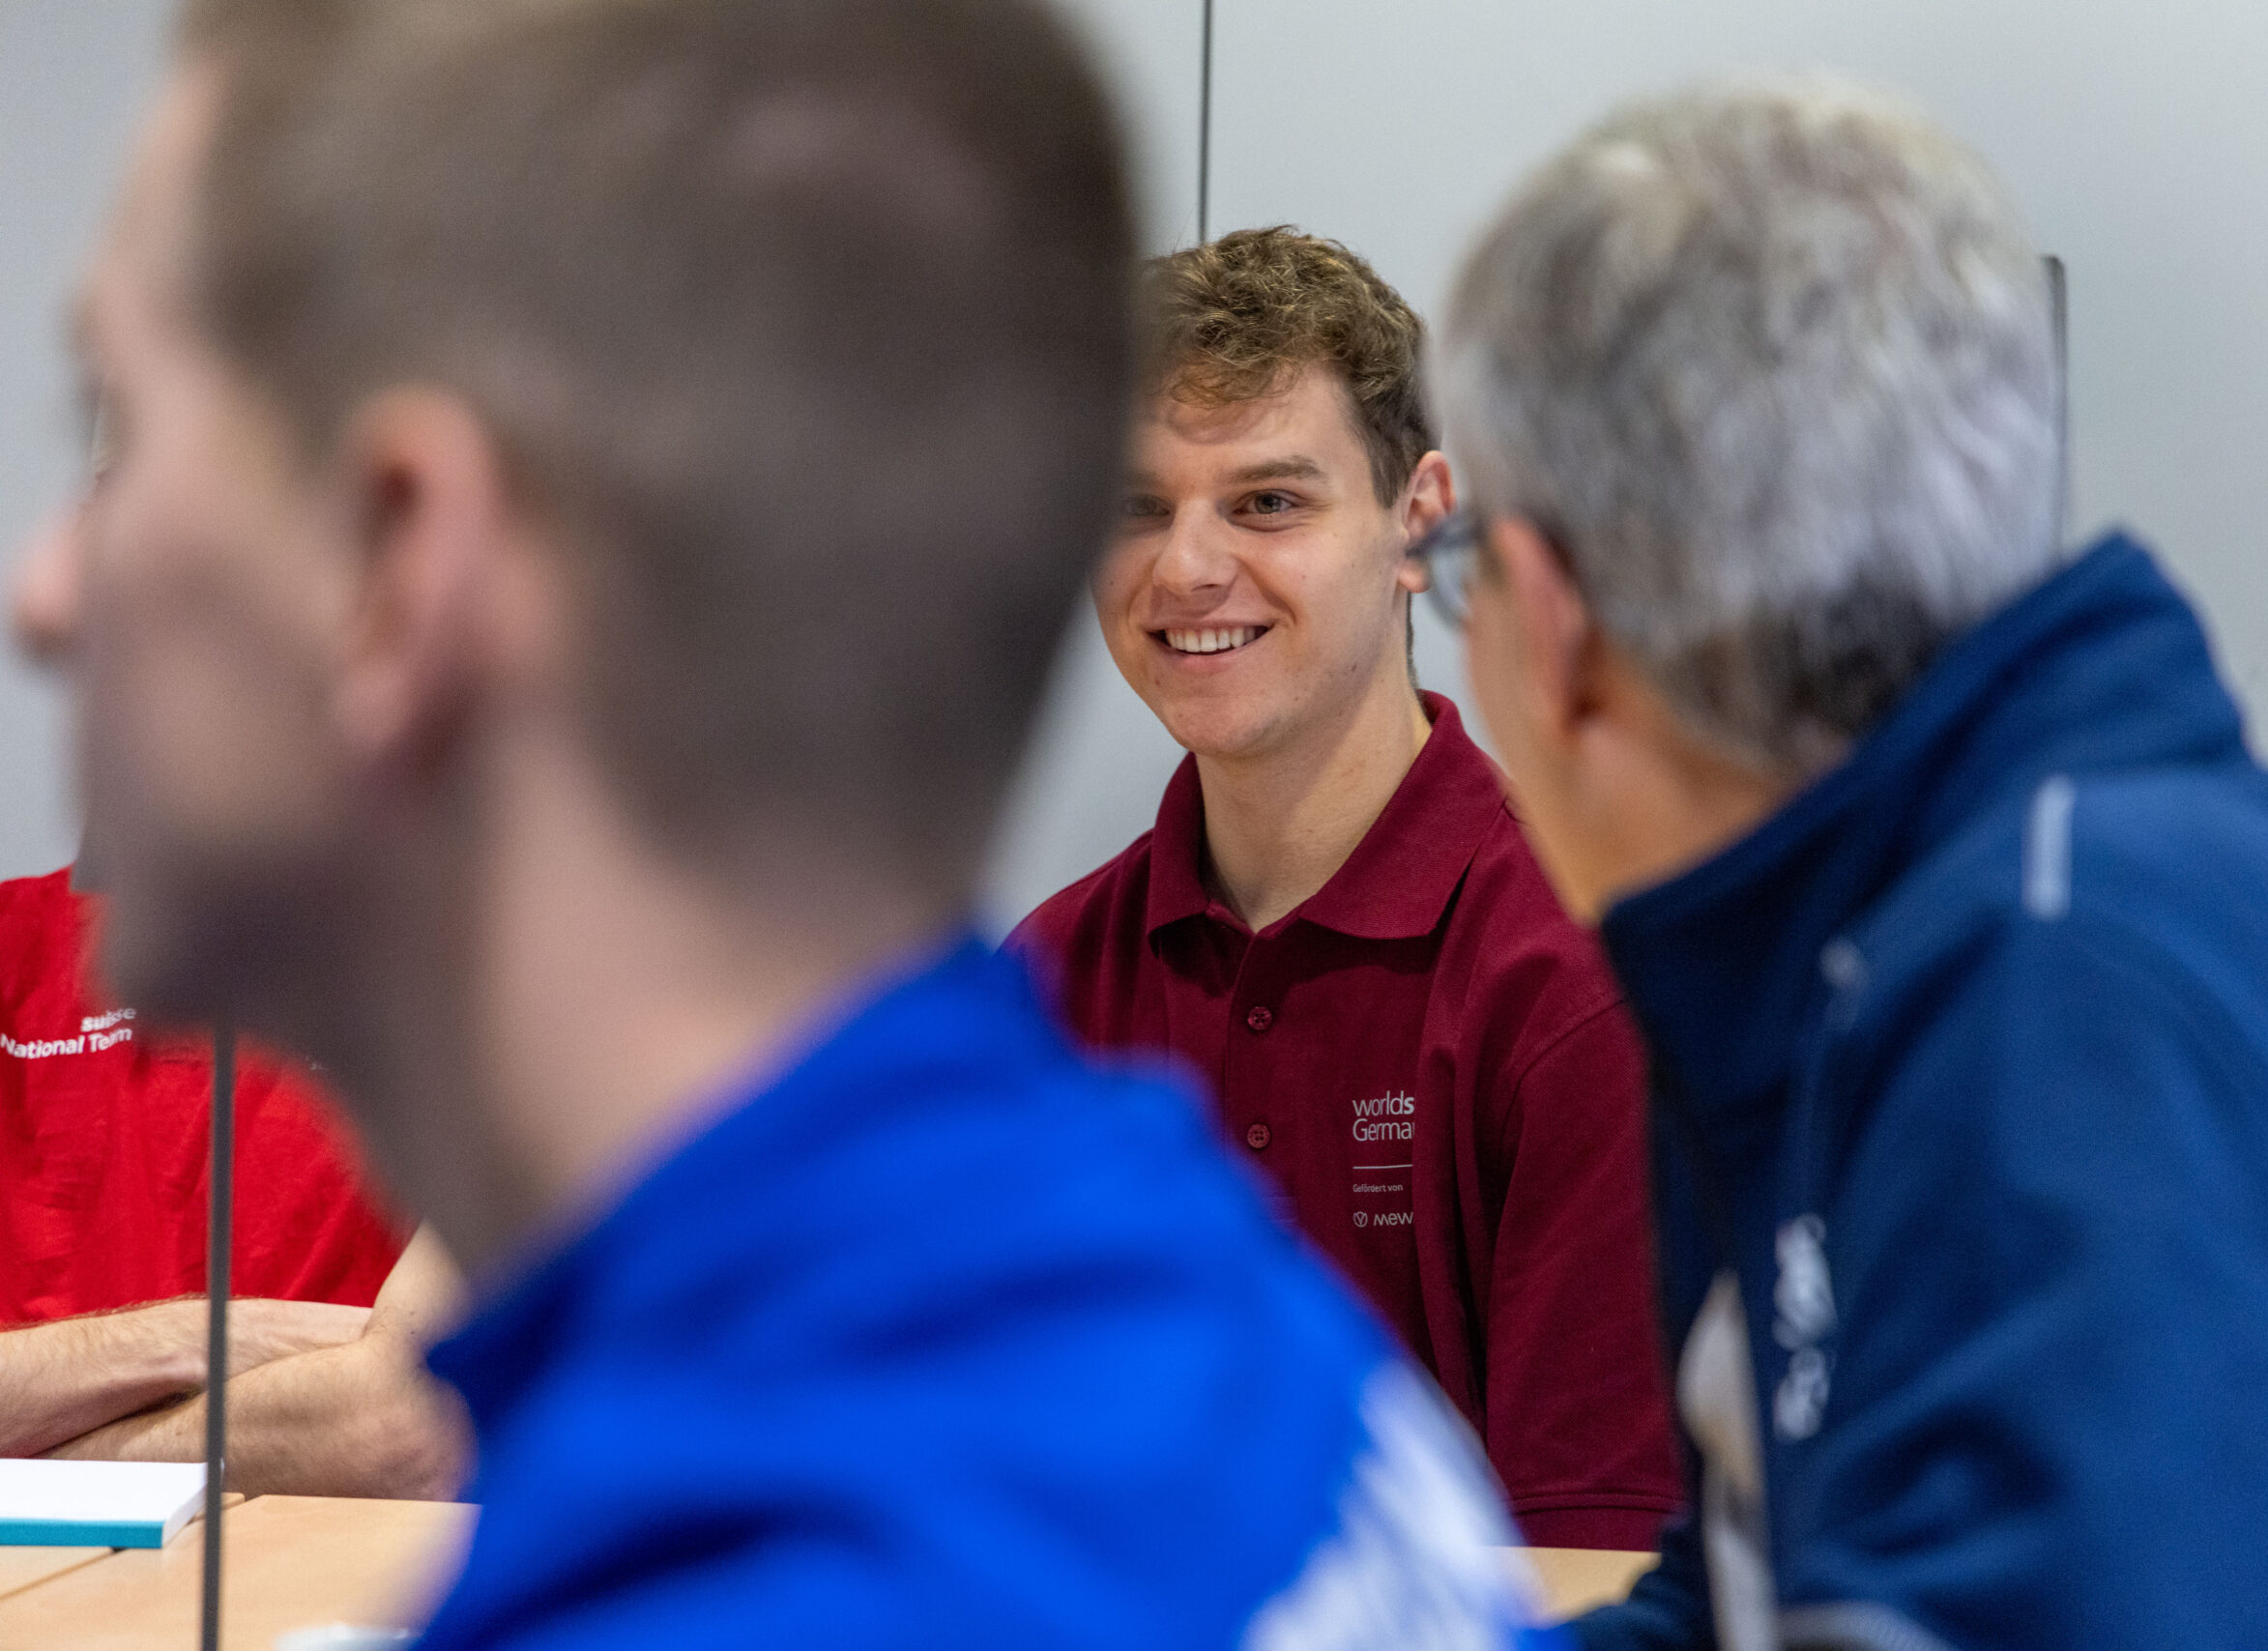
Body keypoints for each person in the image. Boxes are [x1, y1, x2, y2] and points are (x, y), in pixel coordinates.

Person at [12, 0, 1550, 1644]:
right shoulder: (1186, 1316)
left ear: (403, 557)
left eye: (128, 422)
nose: (47, 593)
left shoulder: (786, 1580)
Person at [1427, 73, 2268, 1649]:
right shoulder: (1922, 942)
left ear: (1551, 625)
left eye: (1459, 577)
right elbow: (1750, 1602)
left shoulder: (2075, 986)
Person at [1013, 226, 1683, 1550]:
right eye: (1139, 507)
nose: (1187, 567)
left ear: (1418, 521)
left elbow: (1595, 1573)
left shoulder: (1576, 982)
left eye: (1267, 502)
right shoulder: (1046, 986)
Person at [0, 860, 468, 1498]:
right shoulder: (16, 943)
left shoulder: (476, 948)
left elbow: (406, 1423)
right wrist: (202, 1338)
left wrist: (34, 1447)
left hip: (335, 1559)